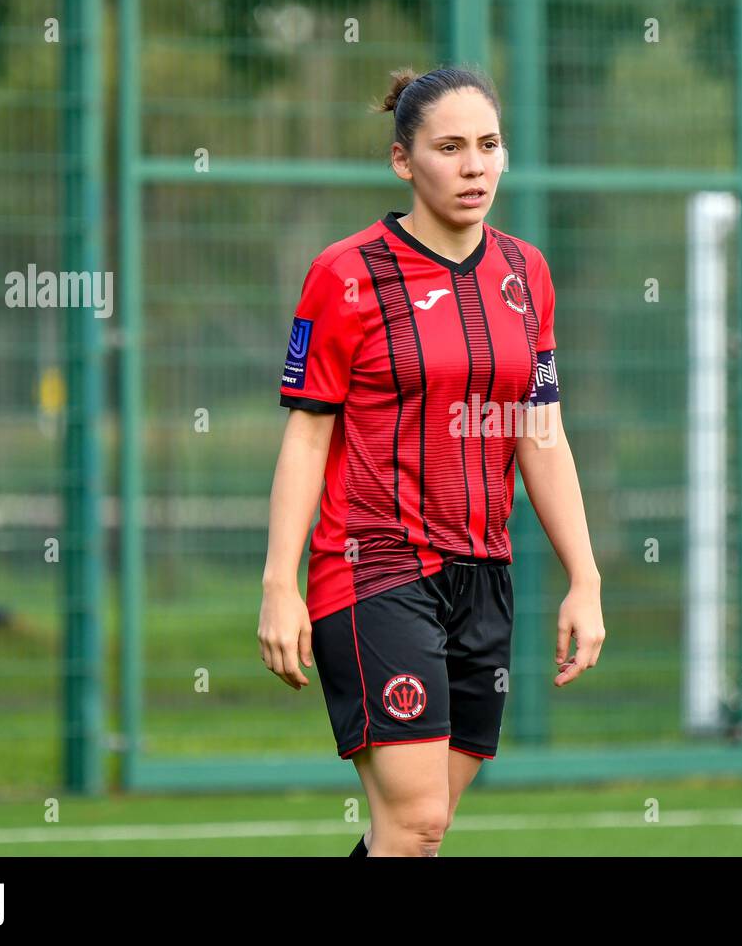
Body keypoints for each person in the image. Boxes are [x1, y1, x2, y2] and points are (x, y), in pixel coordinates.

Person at [258, 64, 604, 857]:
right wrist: (280, 587)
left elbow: (539, 429)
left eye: (488, 145)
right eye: (449, 147)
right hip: (375, 566)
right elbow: (307, 437)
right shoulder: (345, 276)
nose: (474, 165)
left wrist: (584, 579)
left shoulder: (527, 273)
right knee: (416, 824)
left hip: (484, 574)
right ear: (403, 161)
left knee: (412, 833)